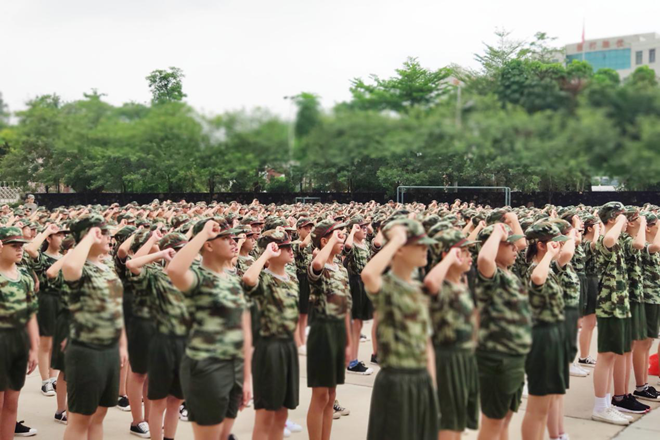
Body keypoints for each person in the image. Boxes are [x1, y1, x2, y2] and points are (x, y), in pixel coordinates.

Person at [166, 219, 252, 440]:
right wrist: (204, 233)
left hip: (234, 367)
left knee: (223, 435)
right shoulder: (197, 277)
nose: (233, 242)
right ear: (209, 245)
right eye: (226, 238)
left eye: (233, 237)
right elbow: (174, 269)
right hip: (206, 367)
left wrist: (246, 378)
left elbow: (244, 330)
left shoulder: (232, 280)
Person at [361, 218, 439, 440]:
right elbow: (368, 275)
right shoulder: (387, 286)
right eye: (419, 244)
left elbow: (427, 342)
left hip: (421, 378)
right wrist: (396, 240)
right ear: (401, 249)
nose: (425, 249)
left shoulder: (419, 289)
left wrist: (433, 387)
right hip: (396, 381)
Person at [61, 214, 128, 440]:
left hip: (110, 349)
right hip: (86, 350)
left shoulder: (107, 266)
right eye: (103, 233)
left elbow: (117, 308)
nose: (109, 238)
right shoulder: (80, 268)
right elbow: (70, 266)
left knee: (99, 415)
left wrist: (122, 345)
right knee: (81, 418)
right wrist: (89, 237)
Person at [126, 232, 190, 440]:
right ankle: (145, 426)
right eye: (179, 250)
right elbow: (132, 264)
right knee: (158, 400)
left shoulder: (191, 278)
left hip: (183, 345)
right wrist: (159, 252)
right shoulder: (155, 276)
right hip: (159, 343)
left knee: (176, 401)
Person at [242, 230, 301, 440]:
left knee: (283, 411)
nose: (290, 250)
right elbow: (248, 278)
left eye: (290, 246)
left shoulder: (292, 278)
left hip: (287, 347)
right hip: (268, 348)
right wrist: (266, 255)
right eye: (284, 247)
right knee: (266, 413)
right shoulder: (263, 278)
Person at [474, 224, 530, 440]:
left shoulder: (509, 274)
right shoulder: (491, 275)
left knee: (505, 418)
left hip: (513, 356)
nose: (516, 249)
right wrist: (497, 232)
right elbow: (484, 259)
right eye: (509, 245)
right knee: (493, 420)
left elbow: (522, 243)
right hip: (496, 359)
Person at [424, 229, 479, 440]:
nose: (470, 256)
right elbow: (430, 282)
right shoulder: (441, 284)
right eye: (464, 251)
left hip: (464, 358)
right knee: (448, 421)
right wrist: (449, 258)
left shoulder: (460, 283)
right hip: (447, 359)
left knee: (457, 420)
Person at [520, 222, 569, 440]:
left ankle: (557, 435)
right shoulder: (535, 268)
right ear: (541, 245)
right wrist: (549, 255)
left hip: (553, 335)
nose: (559, 246)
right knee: (538, 407)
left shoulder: (547, 267)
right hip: (541, 338)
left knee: (552, 396)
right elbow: (537, 279)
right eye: (554, 243)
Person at [306, 219, 352, 440]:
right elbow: (316, 264)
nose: (341, 239)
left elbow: (345, 307)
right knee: (320, 395)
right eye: (336, 236)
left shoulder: (341, 269)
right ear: (325, 241)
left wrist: (348, 342)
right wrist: (331, 240)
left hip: (338, 333)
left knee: (331, 395)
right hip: (322, 334)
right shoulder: (318, 265)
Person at [590, 202, 635, 425]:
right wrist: (620, 220)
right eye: (621, 217)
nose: (626, 221)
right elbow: (608, 239)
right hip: (609, 305)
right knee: (606, 356)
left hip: (619, 303)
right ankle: (600, 407)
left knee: (612, 355)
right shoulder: (604, 240)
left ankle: (607, 405)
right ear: (612, 219)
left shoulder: (617, 240)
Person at [0, 227, 39, 440]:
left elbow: (30, 313)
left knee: (12, 403)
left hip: (18, 344)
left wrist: (34, 347)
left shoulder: (24, 277)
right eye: (13, 245)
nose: (19, 249)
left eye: (21, 246)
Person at [24, 224, 67, 398]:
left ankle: (54, 377)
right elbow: (30, 249)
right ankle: (45, 381)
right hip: (47, 300)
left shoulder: (65, 257)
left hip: (63, 301)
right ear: (49, 239)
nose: (62, 238)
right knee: (46, 342)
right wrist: (48, 230)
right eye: (59, 235)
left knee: (57, 343)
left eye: (63, 235)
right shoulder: (43, 257)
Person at [343, 216, 374, 375]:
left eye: (365, 227)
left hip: (363, 283)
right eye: (361, 227)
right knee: (355, 324)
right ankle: (352, 361)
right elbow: (347, 248)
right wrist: (352, 230)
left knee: (358, 324)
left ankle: (352, 358)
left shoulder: (365, 244)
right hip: (355, 283)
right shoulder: (352, 244)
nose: (364, 230)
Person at [577, 215, 600, 369]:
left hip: (594, 280)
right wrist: (598, 230)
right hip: (589, 280)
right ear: (590, 228)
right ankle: (583, 356)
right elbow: (595, 245)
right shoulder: (584, 242)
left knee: (591, 322)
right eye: (596, 225)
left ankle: (585, 356)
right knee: (588, 322)